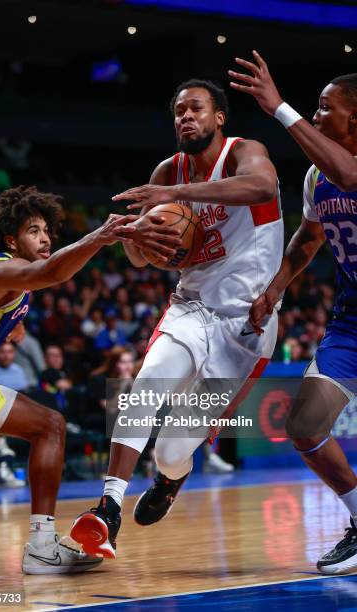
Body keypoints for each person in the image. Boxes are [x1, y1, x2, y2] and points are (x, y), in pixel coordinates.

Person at [70, 79, 284, 559]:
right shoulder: (168, 169)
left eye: (196, 108)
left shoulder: (243, 152)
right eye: (179, 111)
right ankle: (108, 508)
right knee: (147, 384)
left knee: (172, 450)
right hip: (190, 307)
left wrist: (177, 193)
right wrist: (137, 234)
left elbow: (264, 185)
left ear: (218, 117)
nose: (186, 117)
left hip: (245, 324)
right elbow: (140, 262)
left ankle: (171, 478)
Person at [0, 184, 180, 574]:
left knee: (48, 426)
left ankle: (42, 544)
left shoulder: (15, 289)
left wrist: (10, 332)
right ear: (11, 239)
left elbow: (6, 321)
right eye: (33, 231)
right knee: (49, 426)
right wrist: (100, 237)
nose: (45, 238)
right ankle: (40, 547)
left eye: (46, 230)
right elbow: (51, 271)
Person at [229, 52, 357, 574]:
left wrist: (279, 106)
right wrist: (274, 291)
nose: (317, 114)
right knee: (303, 424)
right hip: (353, 315)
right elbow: (309, 240)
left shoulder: (342, 169)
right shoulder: (313, 178)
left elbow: (350, 174)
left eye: (326, 108)